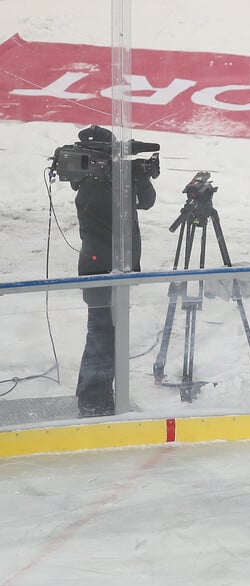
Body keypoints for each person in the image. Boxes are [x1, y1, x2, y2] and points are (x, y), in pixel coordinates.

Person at [74, 125, 156, 417]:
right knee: (101, 334)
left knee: (108, 334)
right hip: (99, 270)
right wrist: (124, 180)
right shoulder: (90, 183)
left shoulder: (110, 180)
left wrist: (140, 177)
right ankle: (92, 398)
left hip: (116, 269)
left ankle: (99, 393)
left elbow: (145, 202)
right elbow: (112, 210)